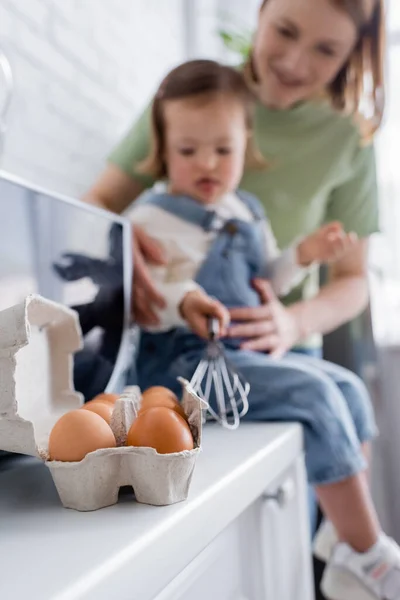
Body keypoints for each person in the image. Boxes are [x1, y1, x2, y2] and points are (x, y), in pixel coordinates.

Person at [83, 2, 398, 599]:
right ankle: (371, 553)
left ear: (245, 147)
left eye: (326, 50)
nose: (295, 60)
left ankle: (341, 541)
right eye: (283, 31)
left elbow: (288, 278)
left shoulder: (297, 174)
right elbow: (109, 221)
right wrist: (129, 259)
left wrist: (301, 267)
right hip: (190, 359)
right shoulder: (171, 168)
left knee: (347, 391)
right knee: (315, 395)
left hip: (264, 353)